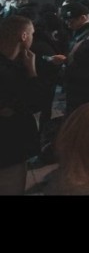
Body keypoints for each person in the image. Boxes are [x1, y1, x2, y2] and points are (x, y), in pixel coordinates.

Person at [0, 13, 43, 195]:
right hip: (10, 148)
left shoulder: (12, 66)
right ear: (23, 36)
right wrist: (32, 71)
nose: (33, 37)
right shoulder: (12, 72)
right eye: (32, 33)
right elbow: (34, 103)